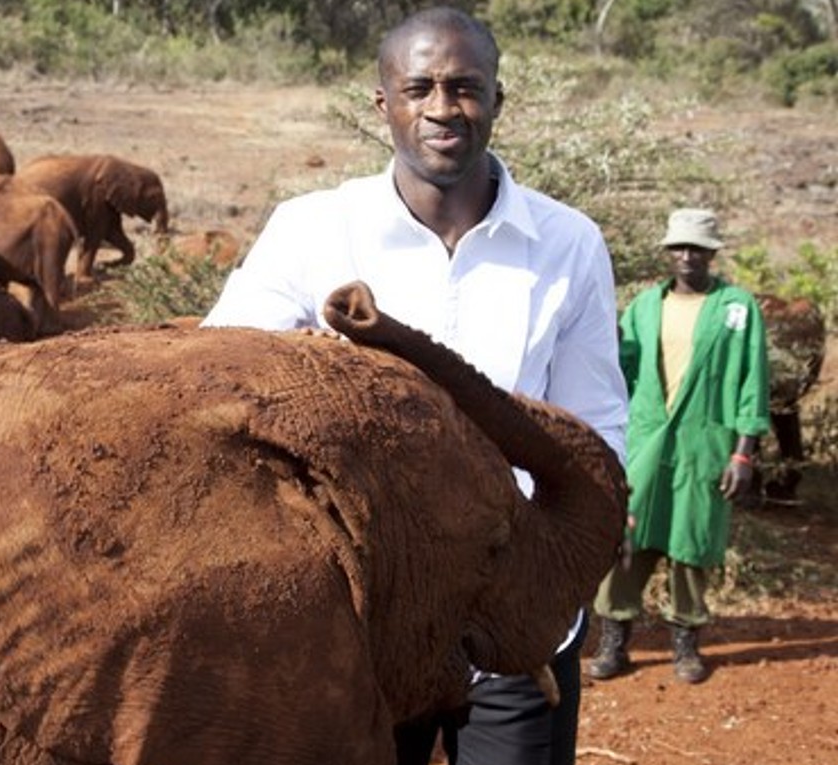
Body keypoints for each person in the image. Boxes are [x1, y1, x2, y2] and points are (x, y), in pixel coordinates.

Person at [201, 7, 627, 765]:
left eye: (464, 88)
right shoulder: (312, 229)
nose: (442, 108)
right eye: (419, 87)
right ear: (383, 103)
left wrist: (555, 585)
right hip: (355, 614)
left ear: (498, 99)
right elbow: (214, 385)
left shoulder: (568, 243)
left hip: (510, 613)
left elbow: (595, 431)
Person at [588, 208, 770, 685]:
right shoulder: (645, 307)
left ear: (712, 253)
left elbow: (753, 379)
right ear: (669, 252)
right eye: (680, 247)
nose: (688, 256)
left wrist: (743, 451)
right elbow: (617, 373)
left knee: (692, 541)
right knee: (629, 536)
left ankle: (686, 642)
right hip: (646, 438)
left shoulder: (737, 308)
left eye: (697, 248)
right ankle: (614, 640)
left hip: (705, 441)